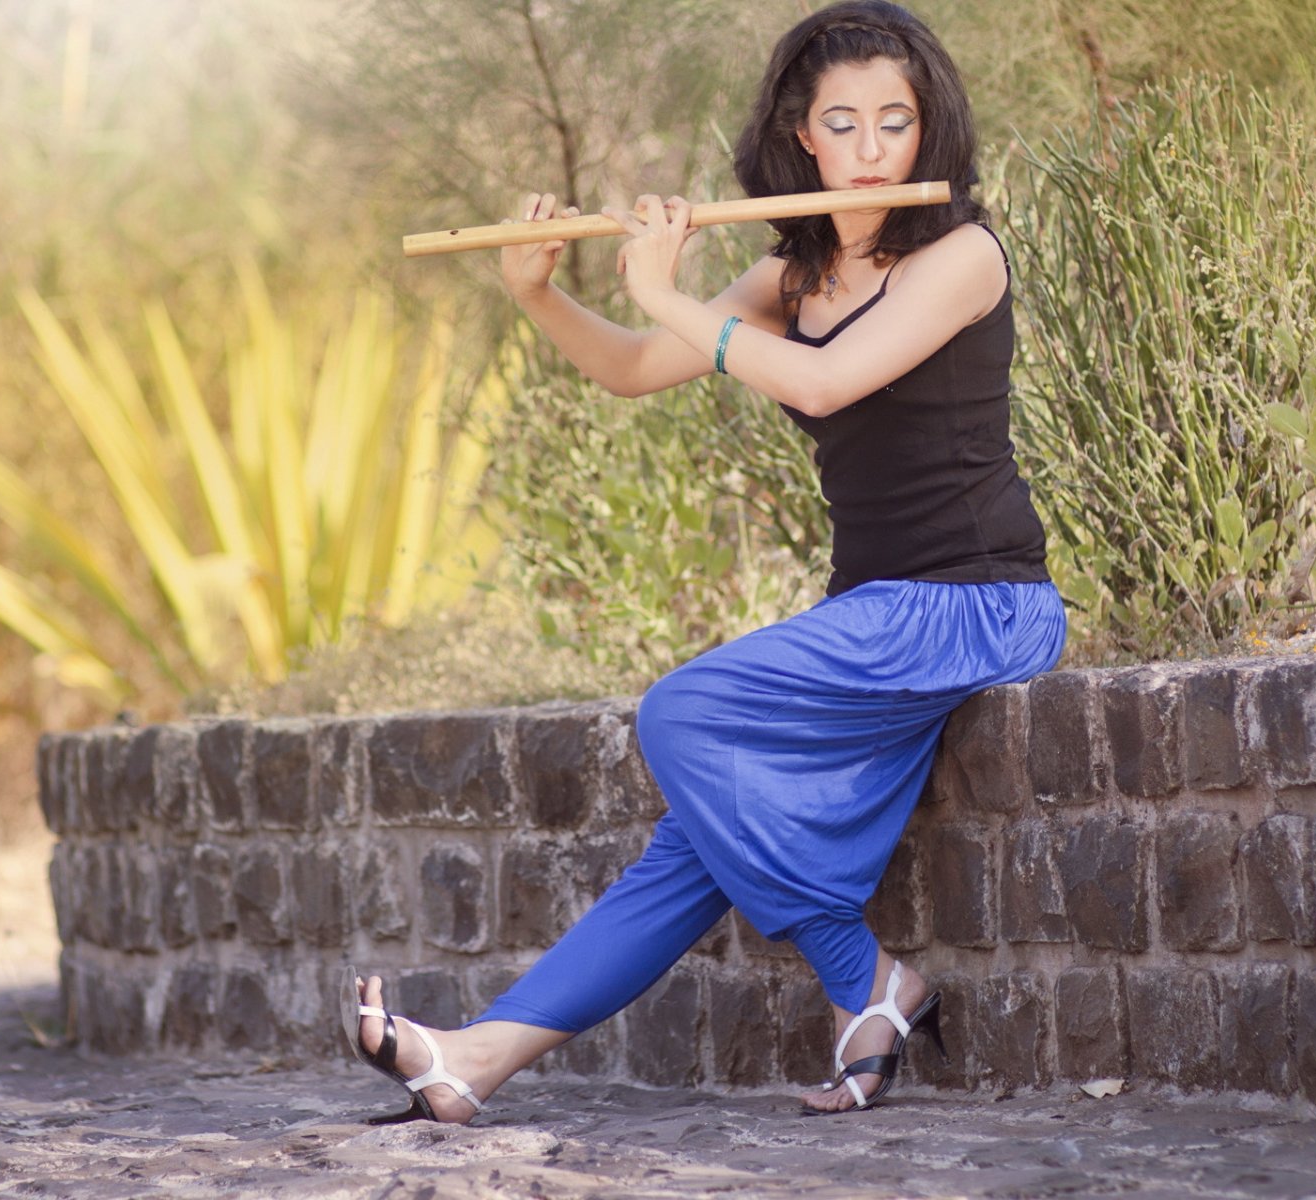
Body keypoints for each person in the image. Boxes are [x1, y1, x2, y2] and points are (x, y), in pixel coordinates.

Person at [345, 0, 1065, 1120]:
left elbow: (826, 384)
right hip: (876, 611)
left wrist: (670, 290)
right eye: (846, 125)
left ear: (928, 132)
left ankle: (865, 980)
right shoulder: (793, 275)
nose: (873, 153)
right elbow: (636, 365)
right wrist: (538, 293)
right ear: (801, 137)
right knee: (693, 851)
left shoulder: (961, 255)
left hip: (976, 606)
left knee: (681, 715)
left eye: (896, 122)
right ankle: (476, 1061)